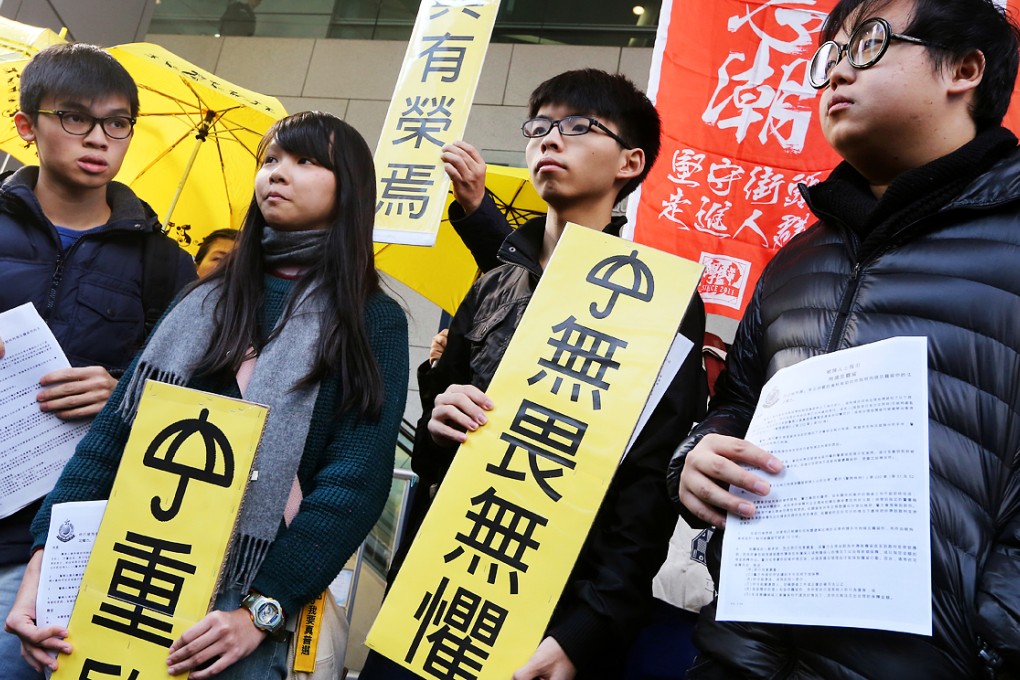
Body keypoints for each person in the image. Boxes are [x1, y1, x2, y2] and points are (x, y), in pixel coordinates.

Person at [668, 0, 1020, 677]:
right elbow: (735, 405)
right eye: (831, 54)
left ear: (966, 69)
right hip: (739, 659)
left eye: (868, 43)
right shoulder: (797, 259)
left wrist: (989, 644)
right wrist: (696, 457)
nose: (835, 73)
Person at [4, 110, 410, 679]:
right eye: (270, 160)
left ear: (351, 188)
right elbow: (111, 439)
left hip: (239, 604)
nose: (277, 173)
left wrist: (261, 610)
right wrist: (41, 573)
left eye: (306, 161)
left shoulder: (373, 320)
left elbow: (354, 481)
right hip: (129, 569)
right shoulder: (204, 298)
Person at [366, 68, 708, 680]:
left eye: (579, 127)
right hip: (438, 589)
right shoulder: (492, 284)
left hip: (553, 608)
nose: (550, 140)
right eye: (540, 126)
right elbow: (432, 455)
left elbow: (647, 485)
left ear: (630, 162)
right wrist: (440, 424)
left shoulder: (659, 297)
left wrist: (585, 632)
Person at [0, 43, 196, 680]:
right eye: (75, 118)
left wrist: (124, 390)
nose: (98, 138)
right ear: (27, 127)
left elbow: (195, 398)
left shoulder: (164, 263)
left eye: (117, 123)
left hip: (60, 538)